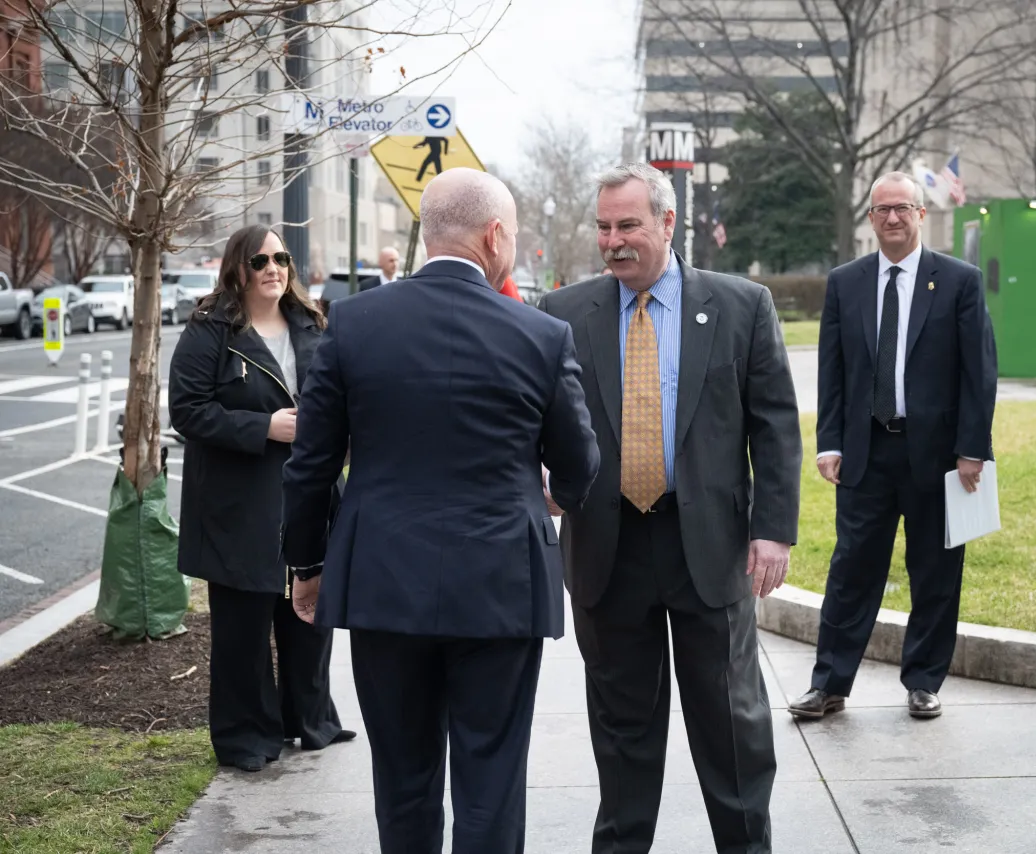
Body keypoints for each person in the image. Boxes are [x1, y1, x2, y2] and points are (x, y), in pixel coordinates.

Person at [281, 167, 599, 854]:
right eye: (511, 236)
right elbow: (581, 464)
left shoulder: (355, 324)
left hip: (383, 580)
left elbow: (310, 464)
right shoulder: (541, 336)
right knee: (492, 776)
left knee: (401, 777)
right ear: (494, 236)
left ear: (428, 236)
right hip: (500, 584)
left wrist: (307, 563)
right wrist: (551, 494)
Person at [541, 163, 802, 853]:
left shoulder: (744, 306)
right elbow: (541, 423)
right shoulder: (564, 314)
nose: (613, 241)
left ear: (667, 222)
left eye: (628, 225)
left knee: (731, 725)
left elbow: (774, 427)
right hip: (607, 550)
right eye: (603, 227)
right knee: (622, 731)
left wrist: (774, 531)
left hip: (709, 550)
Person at [789, 171, 997, 722]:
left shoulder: (958, 281)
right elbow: (832, 372)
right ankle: (829, 683)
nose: (893, 218)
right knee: (852, 569)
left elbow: (980, 373)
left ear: (921, 214)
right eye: (882, 210)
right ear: (871, 218)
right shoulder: (846, 282)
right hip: (865, 452)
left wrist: (973, 449)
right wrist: (828, 441)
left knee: (936, 569)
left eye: (903, 208)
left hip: (937, 455)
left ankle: (924, 681)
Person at [168, 225, 354, 773]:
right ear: (238, 268)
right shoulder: (211, 329)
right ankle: (245, 737)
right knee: (243, 627)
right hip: (237, 499)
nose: (274, 267)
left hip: (307, 489)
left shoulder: (314, 323)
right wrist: (262, 428)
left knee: (309, 610)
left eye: (282, 257)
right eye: (260, 260)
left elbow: (341, 396)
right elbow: (187, 411)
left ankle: (311, 720)